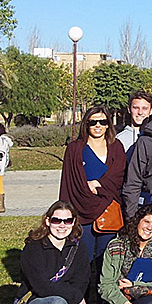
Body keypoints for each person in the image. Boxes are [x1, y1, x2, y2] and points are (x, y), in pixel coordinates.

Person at [17, 201, 96, 304]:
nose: (62, 225)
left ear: (73, 222)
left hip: (68, 302)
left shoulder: (77, 247)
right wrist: (76, 298)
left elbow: (81, 281)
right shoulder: (33, 248)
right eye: (56, 220)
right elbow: (41, 287)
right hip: (35, 302)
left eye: (67, 221)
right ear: (47, 221)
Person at [59, 105, 128, 262]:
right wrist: (65, 212)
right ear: (86, 124)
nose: (98, 126)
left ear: (108, 124)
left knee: (106, 259)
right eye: (93, 122)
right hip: (81, 208)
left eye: (103, 122)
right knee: (82, 257)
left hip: (108, 208)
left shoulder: (116, 147)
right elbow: (68, 181)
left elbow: (119, 175)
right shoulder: (74, 149)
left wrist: (99, 184)